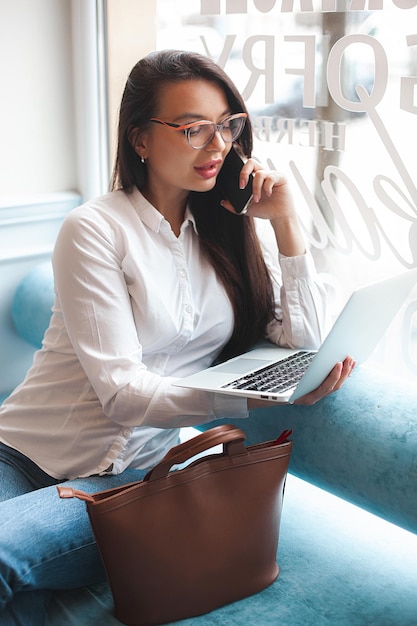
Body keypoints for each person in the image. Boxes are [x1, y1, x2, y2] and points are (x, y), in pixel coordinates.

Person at [0, 49, 355, 625]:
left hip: (131, 481)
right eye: (193, 130)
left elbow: (305, 339)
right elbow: (124, 395)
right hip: (19, 454)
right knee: (27, 597)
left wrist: (288, 224)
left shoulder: (223, 233)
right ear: (140, 139)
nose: (217, 147)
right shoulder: (95, 229)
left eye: (227, 127)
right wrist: (257, 396)